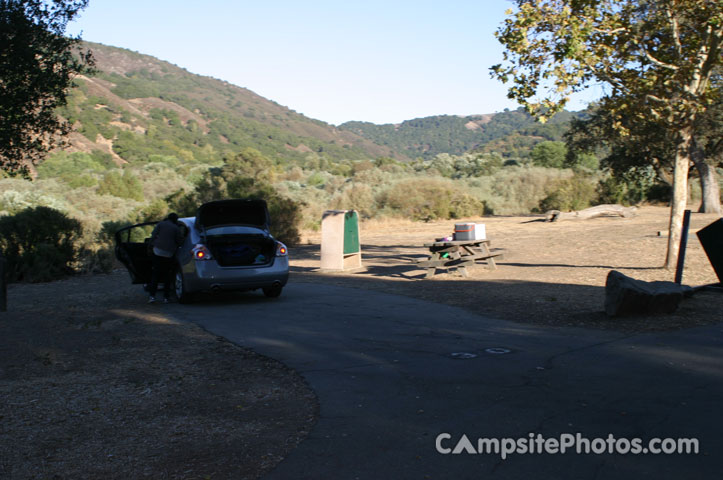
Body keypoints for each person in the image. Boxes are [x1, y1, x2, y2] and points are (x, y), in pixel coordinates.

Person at [148, 213, 184, 303]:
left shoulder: (160, 224)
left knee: (155, 275)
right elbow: (179, 241)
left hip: (157, 252)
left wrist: (149, 246)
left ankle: (152, 297)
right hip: (169, 254)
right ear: (175, 220)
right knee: (167, 276)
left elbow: (153, 236)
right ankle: (166, 298)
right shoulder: (176, 228)